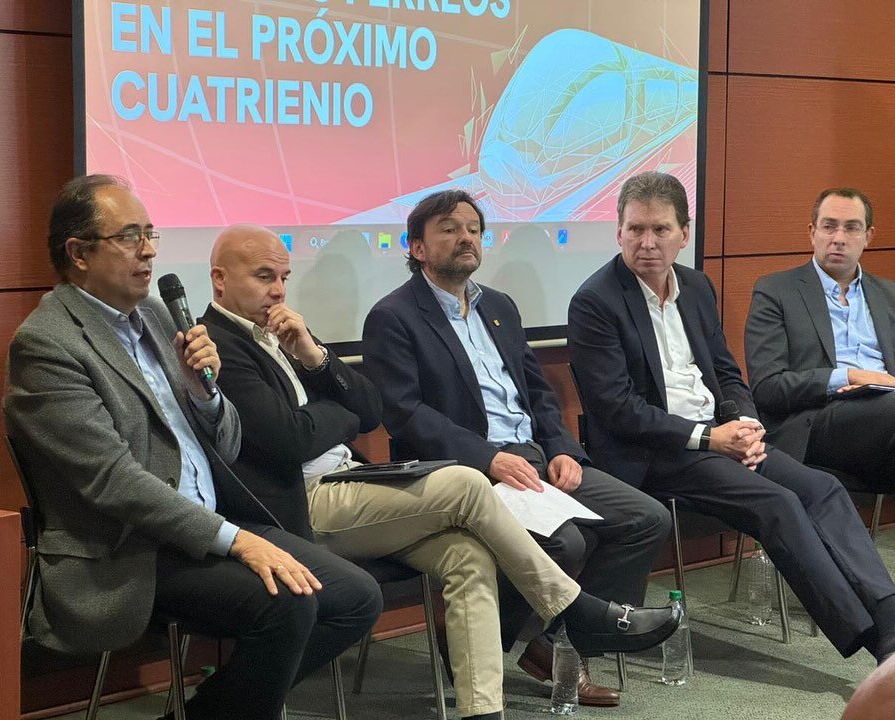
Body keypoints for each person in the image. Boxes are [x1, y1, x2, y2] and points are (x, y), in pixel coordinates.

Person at [201, 223, 679, 720]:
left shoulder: (283, 331)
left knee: (467, 555)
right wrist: (331, 412)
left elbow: (366, 408)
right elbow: (289, 440)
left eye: (283, 277)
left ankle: (481, 710)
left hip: (351, 483)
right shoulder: (219, 345)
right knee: (466, 483)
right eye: (263, 277)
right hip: (301, 503)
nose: (278, 291)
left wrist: (317, 360)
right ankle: (574, 608)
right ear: (219, 280)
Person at [4, 175, 384, 720]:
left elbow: (224, 442)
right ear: (79, 254)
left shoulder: (157, 318)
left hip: (207, 526)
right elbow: (112, 481)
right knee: (290, 605)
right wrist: (238, 543)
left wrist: (205, 393)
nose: (150, 249)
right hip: (132, 548)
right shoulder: (48, 346)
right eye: (130, 236)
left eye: (151, 233)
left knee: (355, 598)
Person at [567, 170, 895, 665]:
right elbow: (617, 410)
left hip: (721, 437)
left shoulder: (696, 287)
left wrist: (746, 424)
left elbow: (725, 371)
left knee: (821, 489)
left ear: (684, 234)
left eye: (660, 230)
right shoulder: (595, 301)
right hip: (656, 452)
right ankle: (877, 645)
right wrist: (709, 438)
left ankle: (890, 618)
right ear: (618, 231)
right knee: (778, 503)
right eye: (635, 230)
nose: (647, 243)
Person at [362, 189, 672, 705]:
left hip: (534, 458)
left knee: (646, 518)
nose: (465, 237)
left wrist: (562, 450)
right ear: (416, 247)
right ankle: (481, 643)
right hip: (464, 471)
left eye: (472, 229)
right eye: (448, 229)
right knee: (565, 542)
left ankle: (555, 642)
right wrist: (487, 458)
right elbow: (406, 414)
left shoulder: (499, 307)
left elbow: (538, 395)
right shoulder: (393, 316)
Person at [745, 187, 895, 480]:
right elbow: (767, 388)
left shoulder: (889, 295)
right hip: (816, 421)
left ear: (869, 236)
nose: (838, 238)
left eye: (852, 228)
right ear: (812, 232)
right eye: (829, 226)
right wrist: (851, 376)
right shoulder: (776, 291)